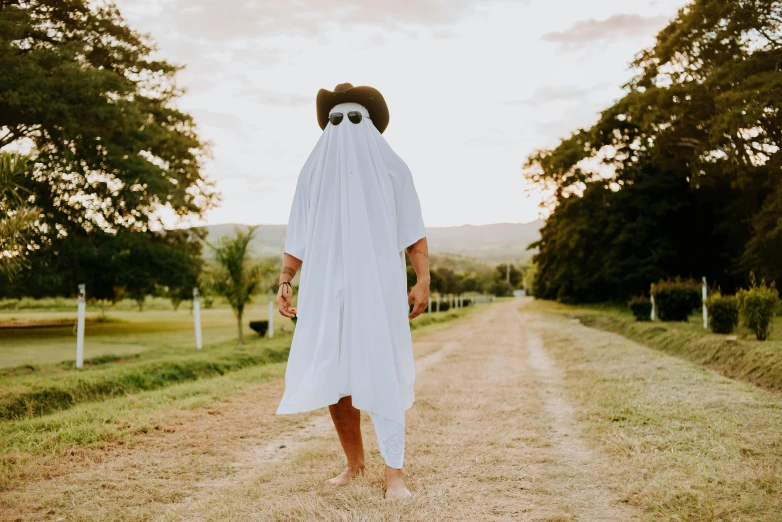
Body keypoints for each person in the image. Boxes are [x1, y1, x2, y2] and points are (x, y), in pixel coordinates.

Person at [275, 83, 430, 500]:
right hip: (326, 291)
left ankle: (394, 474)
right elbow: (298, 235)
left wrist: (422, 280)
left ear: (369, 125)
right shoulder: (312, 173)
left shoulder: (394, 169)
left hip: (378, 288)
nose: (343, 127)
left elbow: (413, 232)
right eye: (334, 119)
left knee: (381, 368)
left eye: (353, 118)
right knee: (333, 372)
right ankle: (354, 463)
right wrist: (286, 280)